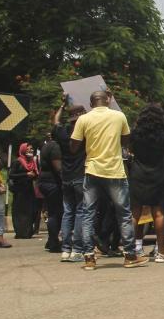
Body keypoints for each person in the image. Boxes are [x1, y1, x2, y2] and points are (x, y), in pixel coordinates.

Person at [70, 90, 148, 270]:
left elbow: (74, 147)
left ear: (91, 104)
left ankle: (89, 257)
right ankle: (129, 255)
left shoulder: (84, 119)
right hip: (115, 171)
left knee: (88, 214)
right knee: (124, 214)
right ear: (108, 101)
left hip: (92, 170)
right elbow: (126, 141)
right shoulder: (119, 116)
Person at [129, 104, 164, 263]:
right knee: (159, 213)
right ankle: (161, 252)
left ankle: (131, 251)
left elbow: (130, 151)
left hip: (138, 173)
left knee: (135, 213)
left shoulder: (136, 133)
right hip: (157, 174)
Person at [52, 99, 87, 262]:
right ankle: (77, 249)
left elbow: (56, 121)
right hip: (81, 176)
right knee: (80, 212)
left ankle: (65, 249)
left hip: (66, 177)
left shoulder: (62, 132)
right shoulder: (85, 133)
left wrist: (61, 105)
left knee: (68, 212)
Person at [38, 131, 63, 252]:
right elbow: (58, 167)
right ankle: (53, 241)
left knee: (54, 212)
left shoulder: (46, 145)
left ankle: (51, 239)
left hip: (44, 181)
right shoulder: (55, 147)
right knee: (55, 213)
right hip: (52, 182)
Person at [9, 142, 38, 239]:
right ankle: (20, 232)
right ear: (23, 150)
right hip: (19, 190)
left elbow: (35, 174)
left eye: (32, 149)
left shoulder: (32, 162)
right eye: (28, 149)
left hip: (29, 190)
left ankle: (28, 231)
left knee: (32, 210)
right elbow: (11, 175)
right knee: (19, 212)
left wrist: (35, 175)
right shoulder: (17, 162)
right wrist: (25, 175)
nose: (31, 150)